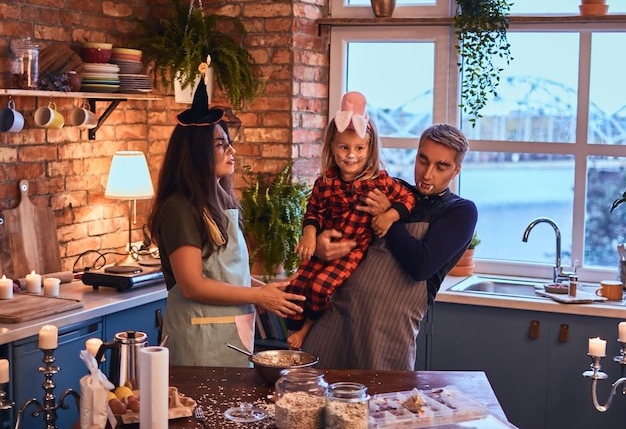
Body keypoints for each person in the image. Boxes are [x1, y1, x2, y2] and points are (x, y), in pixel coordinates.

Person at [148, 75, 305, 367]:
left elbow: (226, 276)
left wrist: (267, 289)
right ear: (196, 153)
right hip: (198, 344)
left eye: (228, 143)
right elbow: (192, 285)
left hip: (227, 337)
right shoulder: (179, 208)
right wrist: (258, 296)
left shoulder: (218, 203)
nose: (231, 151)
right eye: (221, 144)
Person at [301, 123, 477, 370]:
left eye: (441, 166)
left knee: (382, 405)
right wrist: (319, 243)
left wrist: (387, 216)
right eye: (423, 160)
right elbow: (336, 224)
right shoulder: (394, 191)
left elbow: (421, 265)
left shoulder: (459, 211)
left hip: (388, 333)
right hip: (337, 315)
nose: (427, 173)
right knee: (310, 398)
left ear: (456, 170)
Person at [285, 91, 416, 349]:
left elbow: (409, 199)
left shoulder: (379, 181)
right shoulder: (325, 182)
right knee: (296, 285)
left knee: (321, 287)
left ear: (370, 148)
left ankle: (308, 328)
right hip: (324, 247)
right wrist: (310, 234)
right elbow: (313, 212)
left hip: (352, 251)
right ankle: (295, 328)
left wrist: (390, 214)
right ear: (332, 147)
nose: (351, 155)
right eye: (344, 147)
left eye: (359, 148)